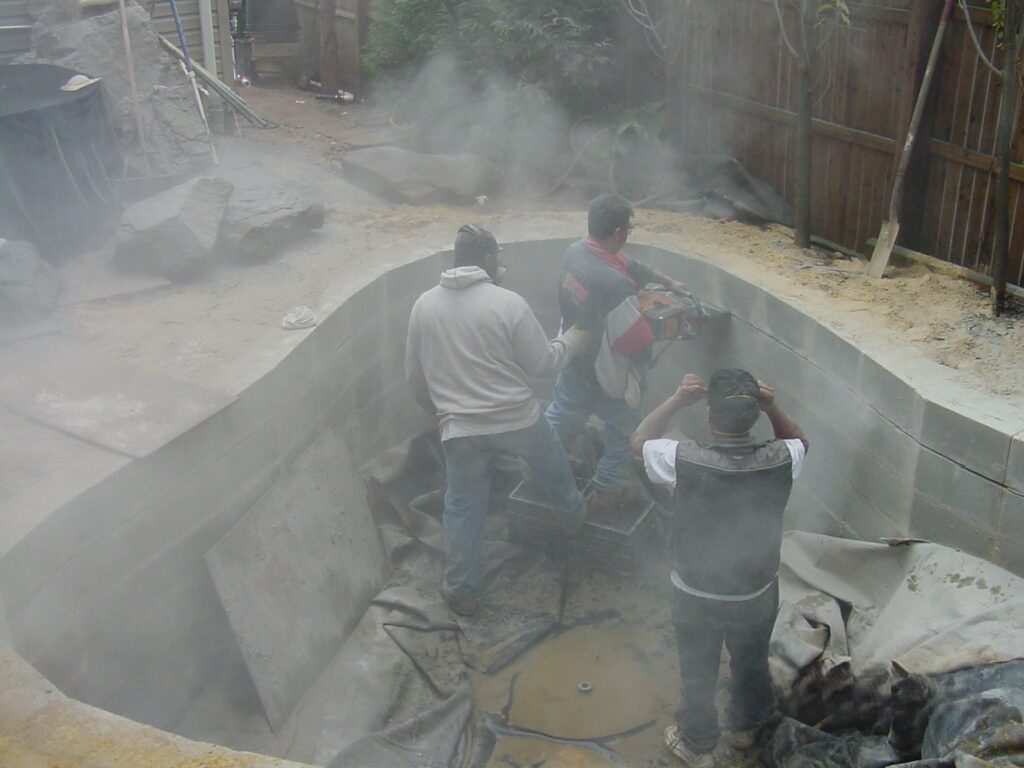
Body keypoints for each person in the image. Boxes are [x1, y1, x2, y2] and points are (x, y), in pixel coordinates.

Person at [405, 224, 589, 617]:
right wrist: (574, 337)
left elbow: (414, 378)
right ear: (488, 260)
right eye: (497, 257)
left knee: (463, 508)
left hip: (461, 431)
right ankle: (577, 526)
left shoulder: (424, 305)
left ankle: (461, 590)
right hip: (518, 420)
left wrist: (442, 414)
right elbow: (542, 365)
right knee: (555, 469)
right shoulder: (507, 303)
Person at [630, 369, 809, 767]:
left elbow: (638, 440)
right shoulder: (781, 458)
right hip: (756, 593)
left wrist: (678, 398)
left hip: (696, 594)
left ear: (710, 416)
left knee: (698, 670)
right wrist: (774, 406)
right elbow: (800, 441)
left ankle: (696, 744)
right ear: (755, 415)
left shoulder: (683, 458)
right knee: (750, 662)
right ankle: (745, 732)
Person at [546, 194, 688, 510]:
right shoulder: (614, 286)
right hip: (606, 375)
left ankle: (538, 465)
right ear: (620, 233)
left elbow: (629, 265)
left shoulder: (576, 253)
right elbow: (635, 341)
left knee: (560, 416)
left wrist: (668, 282)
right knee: (623, 430)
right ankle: (607, 488)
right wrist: (660, 332)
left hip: (572, 360)